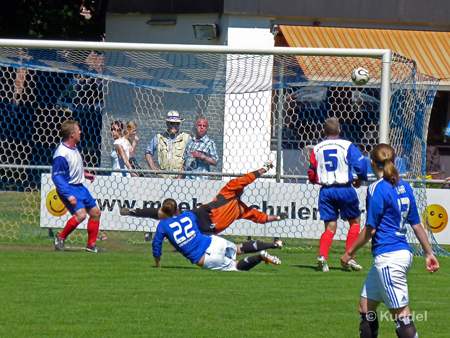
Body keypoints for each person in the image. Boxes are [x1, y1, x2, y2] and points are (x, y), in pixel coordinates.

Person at [341, 143, 439, 338]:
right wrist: (429, 253)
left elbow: (370, 229)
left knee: (402, 316)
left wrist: (349, 251)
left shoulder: (376, 188)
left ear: (371, 163)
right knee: (365, 307)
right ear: (394, 161)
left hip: (388, 258)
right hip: (401, 253)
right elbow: (417, 225)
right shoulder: (404, 186)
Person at [121, 162, 286, 253]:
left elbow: (261, 218)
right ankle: (133, 211)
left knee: (214, 247)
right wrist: (264, 169)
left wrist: (278, 217)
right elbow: (246, 179)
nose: (242, 185)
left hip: (208, 231)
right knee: (169, 214)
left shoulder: (241, 209)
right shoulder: (229, 190)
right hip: (202, 216)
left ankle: (177, 247)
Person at [308, 117, 368, 272]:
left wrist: (317, 180)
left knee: (330, 227)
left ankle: (322, 257)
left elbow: (311, 172)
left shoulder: (317, 148)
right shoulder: (347, 145)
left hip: (327, 191)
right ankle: (349, 257)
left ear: (323, 131)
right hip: (345, 189)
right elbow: (361, 164)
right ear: (340, 131)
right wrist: (360, 179)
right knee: (354, 223)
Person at [152, 199, 281, 270]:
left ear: (162, 210)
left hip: (204, 257)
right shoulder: (189, 215)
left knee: (236, 265)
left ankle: (261, 257)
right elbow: (198, 229)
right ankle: (272, 244)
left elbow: (156, 246)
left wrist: (158, 266)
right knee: (239, 248)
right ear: (178, 209)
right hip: (212, 242)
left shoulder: (162, 225)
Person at [52, 120, 104, 252]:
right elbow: (57, 176)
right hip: (70, 188)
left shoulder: (74, 148)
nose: (80, 132)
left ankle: (91, 246)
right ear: (71, 134)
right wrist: (68, 195)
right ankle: (60, 239)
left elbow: (73, 167)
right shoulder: (61, 153)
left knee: (96, 213)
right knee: (81, 215)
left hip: (80, 187)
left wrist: (85, 174)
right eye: (78, 130)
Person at [145, 110, 190, 178]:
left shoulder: (186, 138)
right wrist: (153, 167)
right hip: (162, 177)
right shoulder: (159, 137)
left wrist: (180, 174)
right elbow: (148, 152)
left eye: (177, 123)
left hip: (179, 179)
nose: (174, 126)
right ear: (166, 123)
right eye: (171, 123)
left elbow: (189, 158)